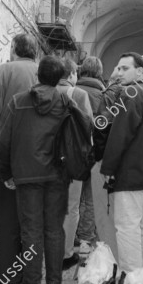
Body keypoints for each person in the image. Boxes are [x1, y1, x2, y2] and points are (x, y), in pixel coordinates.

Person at [0, 56, 69, 284]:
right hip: (57, 174)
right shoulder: (66, 102)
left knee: (31, 230)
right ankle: (54, 283)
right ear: (60, 78)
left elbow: (4, 141)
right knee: (54, 228)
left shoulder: (18, 102)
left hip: (26, 175)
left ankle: (30, 282)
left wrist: (6, 172)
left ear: (38, 75)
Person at [100, 52, 143, 273]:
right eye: (118, 68)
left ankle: (131, 277)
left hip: (131, 172)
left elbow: (119, 135)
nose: (118, 73)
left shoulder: (130, 94)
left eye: (124, 68)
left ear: (139, 71)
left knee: (127, 226)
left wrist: (109, 167)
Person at [0, 33, 38, 284]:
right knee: (32, 222)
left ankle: (8, 275)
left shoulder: (4, 71)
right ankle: (31, 275)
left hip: (7, 155)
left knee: (8, 223)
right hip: (39, 159)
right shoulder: (45, 73)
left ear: (14, 49)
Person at [56, 58, 93, 270]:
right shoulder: (79, 94)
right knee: (71, 208)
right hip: (71, 161)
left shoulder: (41, 91)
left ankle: (44, 252)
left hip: (45, 159)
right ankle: (65, 254)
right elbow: (88, 126)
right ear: (71, 75)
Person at [75, 57, 105, 256]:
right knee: (90, 196)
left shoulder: (72, 91)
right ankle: (86, 237)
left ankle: (70, 235)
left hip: (71, 151)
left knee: (71, 197)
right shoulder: (104, 95)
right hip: (94, 152)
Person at [91, 66, 121, 260]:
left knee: (105, 212)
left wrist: (101, 158)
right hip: (128, 162)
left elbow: (101, 125)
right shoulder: (140, 94)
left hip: (107, 161)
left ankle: (110, 255)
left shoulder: (110, 94)